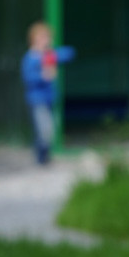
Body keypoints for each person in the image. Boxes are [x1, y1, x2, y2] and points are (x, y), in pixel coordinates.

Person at [20, 22, 74, 164]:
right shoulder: (30, 58)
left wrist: (50, 57)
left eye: (47, 37)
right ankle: (41, 159)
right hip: (37, 100)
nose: (46, 40)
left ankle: (45, 158)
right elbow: (28, 78)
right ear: (34, 39)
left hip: (50, 99)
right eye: (42, 37)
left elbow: (69, 53)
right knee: (43, 130)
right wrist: (42, 76)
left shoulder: (48, 55)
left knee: (50, 130)